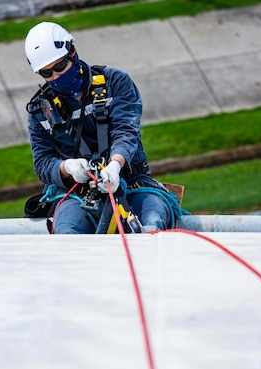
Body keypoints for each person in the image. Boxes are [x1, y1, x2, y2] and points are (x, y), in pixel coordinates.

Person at [24, 21, 179, 234]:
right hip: (76, 193)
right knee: (68, 233)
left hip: (130, 182)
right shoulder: (41, 110)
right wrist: (67, 168)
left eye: (60, 67)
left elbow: (126, 131)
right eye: (46, 73)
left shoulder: (115, 82)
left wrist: (115, 165)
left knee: (152, 221)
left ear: (73, 52)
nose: (56, 77)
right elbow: (42, 163)